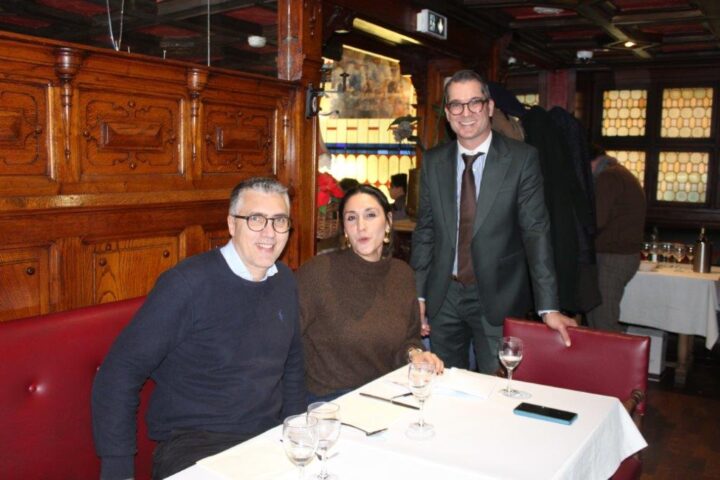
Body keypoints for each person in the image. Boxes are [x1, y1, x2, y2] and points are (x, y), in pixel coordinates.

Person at [92, 177, 305, 480]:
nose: (269, 233)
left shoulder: (283, 280)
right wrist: (118, 471)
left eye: (279, 220)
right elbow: (119, 371)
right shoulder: (187, 284)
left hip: (265, 441)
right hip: (194, 445)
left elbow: (292, 362)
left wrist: (296, 430)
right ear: (232, 224)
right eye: (256, 219)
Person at [411, 70, 576, 374]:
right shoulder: (434, 161)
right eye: (456, 105)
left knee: (496, 386)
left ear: (489, 107)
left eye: (474, 102)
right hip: (443, 296)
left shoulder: (521, 159)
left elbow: (536, 232)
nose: (466, 113)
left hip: (498, 295)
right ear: (447, 113)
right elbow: (426, 231)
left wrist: (548, 307)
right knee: (445, 385)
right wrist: (418, 295)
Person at [297, 184, 443, 402]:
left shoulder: (402, 275)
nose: (361, 227)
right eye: (351, 218)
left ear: (388, 221)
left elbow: (408, 339)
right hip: (333, 399)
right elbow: (285, 343)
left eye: (370, 215)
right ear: (344, 229)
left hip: (388, 392)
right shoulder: (316, 273)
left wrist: (415, 354)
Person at [586, 145, 646, 332]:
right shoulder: (618, 173)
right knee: (597, 315)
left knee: (603, 319)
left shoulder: (608, 177)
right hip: (621, 255)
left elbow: (596, 220)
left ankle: (613, 352)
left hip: (614, 257)